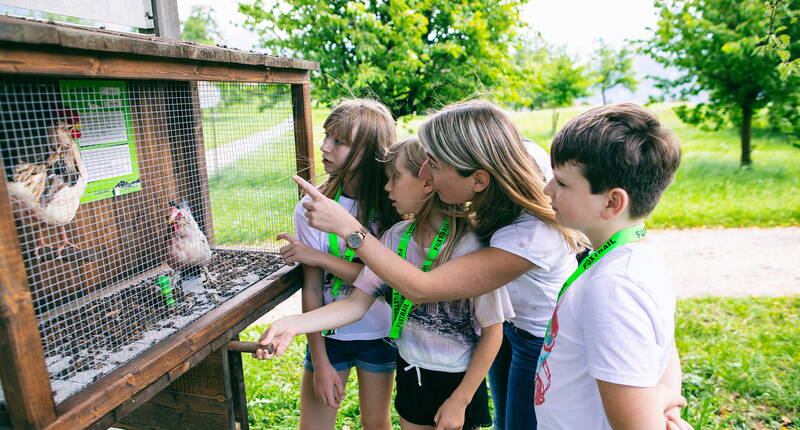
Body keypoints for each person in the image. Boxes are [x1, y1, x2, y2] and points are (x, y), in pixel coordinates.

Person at [290, 100, 584, 428]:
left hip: (536, 334)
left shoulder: (525, 235)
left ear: (478, 179)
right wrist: (295, 325)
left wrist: (349, 229)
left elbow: (420, 287)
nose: (426, 174)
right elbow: (363, 297)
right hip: (490, 336)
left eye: (435, 164)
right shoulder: (498, 172)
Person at [259, 136, 512, 430]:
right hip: (409, 369)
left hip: (457, 381)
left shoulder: (471, 247)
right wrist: (292, 324)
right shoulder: (394, 237)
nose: (387, 187)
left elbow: (493, 332)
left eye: (394, 177)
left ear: (427, 182)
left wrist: (461, 399)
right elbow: (355, 303)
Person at [534, 103, 686, 429]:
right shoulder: (629, 257)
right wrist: (663, 396)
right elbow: (665, 348)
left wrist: (658, 401)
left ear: (612, 202)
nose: (548, 190)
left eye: (561, 183)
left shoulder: (615, 285)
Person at [285, 99, 400, 430]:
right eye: (327, 136)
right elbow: (311, 286)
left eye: (340, 141)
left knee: (376, 424)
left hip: (381, 336)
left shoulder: (393, 206)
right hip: (329, 339)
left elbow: (384, 282)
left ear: (370, 151)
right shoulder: (311, 207)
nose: (324, 147)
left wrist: (319, 257)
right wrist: (320, 361)